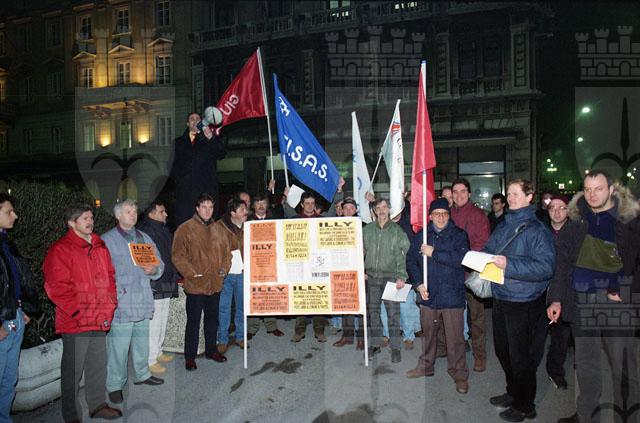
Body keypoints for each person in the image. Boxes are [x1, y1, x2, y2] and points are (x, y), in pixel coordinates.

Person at [548, 170, 639, 423]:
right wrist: (556, 298)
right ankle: (587, 416)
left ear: (611, 189)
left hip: (615, 304)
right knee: (586, 365)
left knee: (624, 367)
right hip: (581, 300)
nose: (592, 194)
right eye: (587, 189)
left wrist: (626, 290)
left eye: (598, 188)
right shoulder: (578, 220)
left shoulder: (628, 220)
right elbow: (563, 262)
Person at [43, 204, 121, 422]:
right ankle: (71, 414)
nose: (90, 222)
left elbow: (110, 276)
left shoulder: (99, 245)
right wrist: (78, 312)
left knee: (98, 365)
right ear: (71, 223)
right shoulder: (61, 249)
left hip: (100, 316)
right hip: (76, 321)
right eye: (84, 218)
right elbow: (56, 287)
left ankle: (97, 405)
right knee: (73, 371)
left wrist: (111, 303)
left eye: (91, 217)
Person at [486, 179, 555, 422]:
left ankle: (526, 405)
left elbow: (545, 268)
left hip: (524, 301)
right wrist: (480, 258)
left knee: (521, 357)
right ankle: (513, 391)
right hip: (501, 296)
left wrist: (509, 265)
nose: (511, 198)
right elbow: (490, 249)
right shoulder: (504, 224)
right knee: (503, 351)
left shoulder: (538, 230)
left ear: (529, 196)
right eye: (509, 193)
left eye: (516, 194)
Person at [102, 199, 165, 404]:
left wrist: (154, 270)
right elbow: (102, 274)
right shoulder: (107, 240)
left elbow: (160, 263)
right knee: (118, 348)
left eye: (135, 211)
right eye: (128, 211)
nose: (133, 214)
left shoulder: (144, 237)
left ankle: (142, 374)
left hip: (143, 298)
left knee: (141, 343)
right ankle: (114, 385)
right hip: (122, 302)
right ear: (118, 215)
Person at [405, 198, 470, 394]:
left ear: (449, 215)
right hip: (428, 295)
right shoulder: (422, 236)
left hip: (452, 296)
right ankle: (426, 366)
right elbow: (411, 261)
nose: (440, 217)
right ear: (430, 216)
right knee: (428, 334)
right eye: (436, 214)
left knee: (455, 338)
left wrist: (434, 253)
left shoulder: (458, 235)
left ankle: (459, 374)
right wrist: (418, 284)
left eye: (444, 214)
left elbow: (461, 259)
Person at [172, 194, 232, 371]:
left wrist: (224, 270)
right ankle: (190, 357)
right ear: (197, 208)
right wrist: (191, 273)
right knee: (193, 322)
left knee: (212, 320)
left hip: (215, 284)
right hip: (196, 285)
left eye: (211, 207)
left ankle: (211, 350)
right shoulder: (185, 228)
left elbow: (227, 254)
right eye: (204, 207)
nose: (207, 211)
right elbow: (177, 256)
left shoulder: (219, 229)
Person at [0, 194, 38, 422]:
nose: (15, 216)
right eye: (8, 212)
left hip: (14, 316)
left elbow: (13, 282)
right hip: (2, 323)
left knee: (9, 379)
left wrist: (20, 309)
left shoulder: (6, 244)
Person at [362, 198, 410, 363]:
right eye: (378, 207)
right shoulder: (367, 230)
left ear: (389, 209)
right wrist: (362, 270)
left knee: (393, 314)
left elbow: (402, 253)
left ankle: (395, 348)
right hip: (372, 278)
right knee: (373, 313)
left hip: (391, 278)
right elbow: (360, 251)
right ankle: (375, 344)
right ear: (375, 211)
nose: (381, 210)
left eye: (384, 207)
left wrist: (401, 276)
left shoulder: (397, 230)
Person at [451, 178, 490, 372]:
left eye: (463, 191)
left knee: (477, 319)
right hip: (452, 275)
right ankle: (456, 352)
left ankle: (479, 356)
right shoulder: (448, 214)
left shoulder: (478, 215)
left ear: (469, 194)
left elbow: (483, 244)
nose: (459, 195)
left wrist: (461, 256)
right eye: (455, 192)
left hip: (472, 274)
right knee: (454, 318)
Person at [137, 200, 179, 375]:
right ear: (152, 214)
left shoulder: (163, 229)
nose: (166, 214)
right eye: (162, 211)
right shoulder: (144, 232)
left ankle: (158, 350)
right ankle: (150, 359)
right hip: (154, 283)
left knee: (162, 319)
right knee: (153, 323)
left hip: (166, 279)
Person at [170, 112, 226, 227]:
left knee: (206, 226)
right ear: (187, 123)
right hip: (185, 193)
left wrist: (211, 138)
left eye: (197, 119)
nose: (195, 121)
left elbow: (221, 154)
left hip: (205, 190)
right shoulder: (178, 142)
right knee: (186, 227)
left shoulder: (208, 139)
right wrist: (181, 180)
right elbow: (171, 165)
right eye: (192, 119)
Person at [246, 185, 284, 339]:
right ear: (253, 206)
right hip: (253, 264)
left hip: (270, 263)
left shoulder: (273, 219)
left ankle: (271, 326)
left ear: (267, 205)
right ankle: (252, 328)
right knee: (254, 294)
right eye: (258, 203)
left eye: (263, 203)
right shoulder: (247, 221)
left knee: (269, 294)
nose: (261, 206)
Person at [544, 195, 572, 391]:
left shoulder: (576, 232)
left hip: (566, 292)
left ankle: (556, 371)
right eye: (553, 207)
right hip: (542, 290)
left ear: (569, 211)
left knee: (561, 335)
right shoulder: (542, 232)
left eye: (562, 208)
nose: (557, 211)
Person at [216, 196, 248, 353]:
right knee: (224, 308)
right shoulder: (220, 227)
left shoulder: (249, 227)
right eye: (242, 209)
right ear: (233, 213)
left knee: (241, 307)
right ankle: (222, 339)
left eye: (246, 209)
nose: (246, 212)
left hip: (243, 274)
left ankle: (241, 337)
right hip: (226, 275)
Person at [333, 198, 365, 350]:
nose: (348, 211)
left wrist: (365, 270)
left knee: (361, 305)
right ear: (341, 210)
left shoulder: (363, 226)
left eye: (351, 208)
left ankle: (362, 338)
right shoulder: (334, 225)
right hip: (342, 271)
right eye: (345, 208)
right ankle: (347, 335)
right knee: (345, 303)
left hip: (360, 271)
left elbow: (368, 250)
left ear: (356, 210)